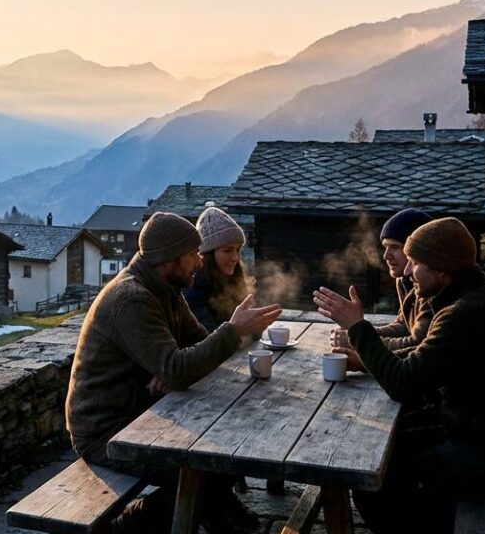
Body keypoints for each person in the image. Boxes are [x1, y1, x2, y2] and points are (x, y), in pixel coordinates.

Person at [313, 218, 485, 534]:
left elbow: (403, 383)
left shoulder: (467, 311)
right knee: (390, 444)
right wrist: (364, 360)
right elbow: (422, 359)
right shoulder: (468, 298)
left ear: (442, 270)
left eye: (415, 263)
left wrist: (358, 328)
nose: (407, 271)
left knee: (375, 476)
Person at [67, 212, 282, 533]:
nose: (199, 262)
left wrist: (184, 362)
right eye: (193, 255)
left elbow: (196, 345)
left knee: (222, 454)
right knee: (202, 470)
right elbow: (178, 369)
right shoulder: (132, 299)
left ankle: (218, 514)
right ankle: (125, 526)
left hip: (141, 412)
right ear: (169, 259)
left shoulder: (166, 289)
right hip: (106, 432)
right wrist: (231, 332)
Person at [327, 208, 433, 367]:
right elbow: (404, 326)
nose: (386, 256)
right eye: (385, 247)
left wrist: (360, 339)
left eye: (395, 247)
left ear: (416, 249)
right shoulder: (404, 281)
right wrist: (358, 331)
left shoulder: (431, 288)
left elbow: (416, 344)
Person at [183, 205, 251, 332]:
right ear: (208, 255)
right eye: (227, 250)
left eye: (237, 250)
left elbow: (250, 331)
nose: (235, 258)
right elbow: (206, 335)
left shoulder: (233, 279)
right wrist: (239, 328)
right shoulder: (192, 288)